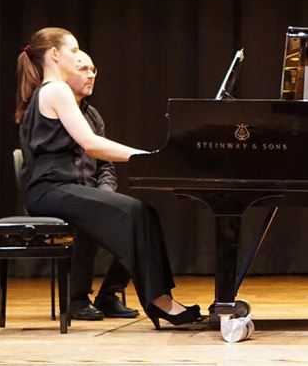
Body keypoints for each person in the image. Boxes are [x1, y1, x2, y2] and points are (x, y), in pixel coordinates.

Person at [16, 27, 199, 329]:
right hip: (50, 189)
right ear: (54, 55)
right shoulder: (56, 90)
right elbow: (91, 145)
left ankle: (155, 298)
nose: (78, 58)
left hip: (57, 189)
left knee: (143, 212)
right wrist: (147, 157)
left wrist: (145, 159)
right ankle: (160, 302)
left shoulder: (49, 92)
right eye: (74, 52)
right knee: (136, 213)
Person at [62, 51, 139, 320]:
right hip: (63, 195)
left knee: (137, 219)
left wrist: (105, 194)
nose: (91, 74)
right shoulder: (53, 112)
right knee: (86, 221)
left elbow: (105, 164)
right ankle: (77, 299)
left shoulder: (92, 114)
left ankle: (109, 294)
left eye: (93, 69)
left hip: (92, 194)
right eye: (83, 68)